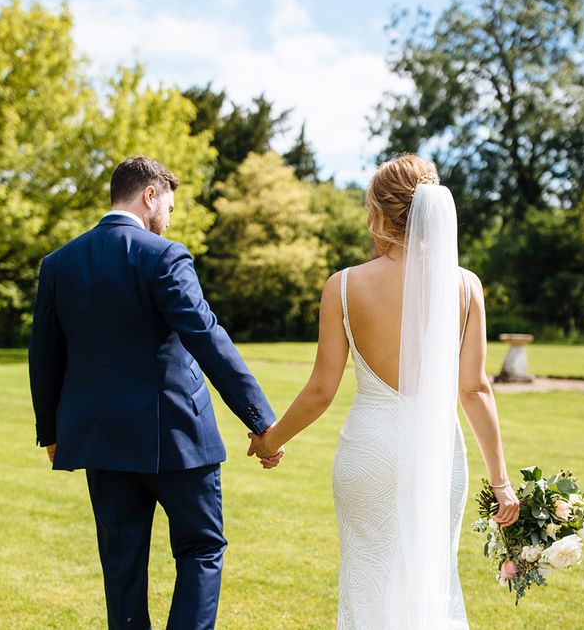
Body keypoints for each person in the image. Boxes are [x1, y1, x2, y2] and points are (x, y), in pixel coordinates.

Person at [249, 153, 519, 628]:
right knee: (433, 583)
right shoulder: (466, 287)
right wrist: (500, 483)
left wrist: (270, 440)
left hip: (369, 453)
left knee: (367, 582)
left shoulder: (344, 286)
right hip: (438, 455)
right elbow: (475, 389)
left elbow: (320, 390)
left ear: (378, 214)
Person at [29, 155, 282, 630]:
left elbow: (44, 355)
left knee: (122, 565)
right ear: (149, 195)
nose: (167, 219)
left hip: (101, 441)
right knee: (202, 547)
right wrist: (261, 421)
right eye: (168, 206)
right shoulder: (164, 255)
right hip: (177, 438)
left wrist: (51, 432)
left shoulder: (58, 264)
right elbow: (206, 337)